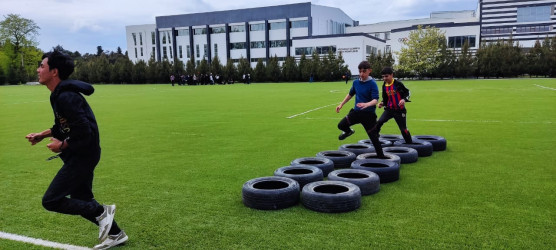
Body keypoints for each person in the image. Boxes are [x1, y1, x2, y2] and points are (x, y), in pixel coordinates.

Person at [25, 50, 128, 249]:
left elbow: (84, 132)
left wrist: (61, 145)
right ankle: (116, 234)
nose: (38, 70)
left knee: (51, 200)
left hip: (83, 155)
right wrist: (42, 135)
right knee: (82, 199)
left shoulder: (66, 97)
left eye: (42, 66)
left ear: (54, 72)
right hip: (81, 154)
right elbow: (63, 125)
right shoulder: (58, 95)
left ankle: (102, 212)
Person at [336, 61, 385, 158]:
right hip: (356, 113)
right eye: (360, 71)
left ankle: (382, 158)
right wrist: (341, 104)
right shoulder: (356, 82)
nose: (361, 74)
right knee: (341, 125)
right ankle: (349, 131)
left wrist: (367, 104)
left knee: (374, 139)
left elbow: (375, 100)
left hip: (368, 115)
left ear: (369, 71)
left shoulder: (372, 84)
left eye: (364, 71)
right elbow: (350, 94)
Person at [374, 66, 413, 143]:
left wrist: (404, 99)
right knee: (379, 122)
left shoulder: (398, 84)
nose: (384, 78)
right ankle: (375, 136)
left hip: (400, 111)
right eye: (383, 77)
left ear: (392, 75)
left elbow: (407, 92)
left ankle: (410, 143)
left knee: (403, 129)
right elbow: (385, 98)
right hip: (389, 110)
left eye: (386, 76)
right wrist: (382, 103)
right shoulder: (384, 85)